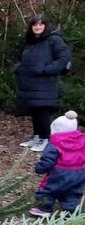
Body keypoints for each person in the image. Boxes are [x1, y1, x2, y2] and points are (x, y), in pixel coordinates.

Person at [15, 15, 73, 153]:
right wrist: (19, 69)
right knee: (35, 111)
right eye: (35, 24)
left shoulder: (53, 39)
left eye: (41, 24)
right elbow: (20, 58)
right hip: (30, 83)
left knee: (42, 111)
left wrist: (48, 69)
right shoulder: (30, 42)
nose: (37, 27)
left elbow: (64, 58)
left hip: (45, 83)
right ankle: (37, 137)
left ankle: (45, 139)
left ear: (45, 26)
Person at [30, 111, 85, 217]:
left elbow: (48, 160)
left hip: (59, 173)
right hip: (79, 173)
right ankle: (71, 210)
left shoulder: (55, 144)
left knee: (48, 190)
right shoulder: (82, 141)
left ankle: (44, 208)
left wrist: (39, 168)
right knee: (72, 192)